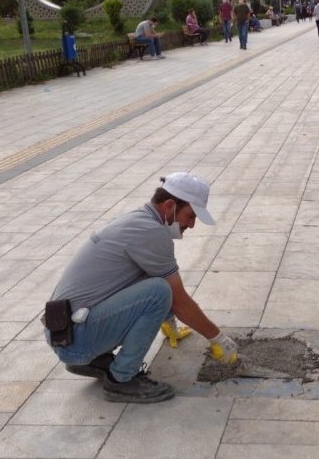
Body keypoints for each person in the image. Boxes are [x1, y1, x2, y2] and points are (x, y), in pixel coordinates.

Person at [45, 173, 240, 403]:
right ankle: (122, 380)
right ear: (169, 205)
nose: (191, 225)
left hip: (65, 333)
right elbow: (177, 298)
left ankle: (94, 360)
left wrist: (169, 323)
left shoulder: (138, 220)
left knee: (159, 287)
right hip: (76, 338)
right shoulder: (151, 232)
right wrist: (218, 339)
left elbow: (144, 279)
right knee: (159, 291)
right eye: (190, 216)